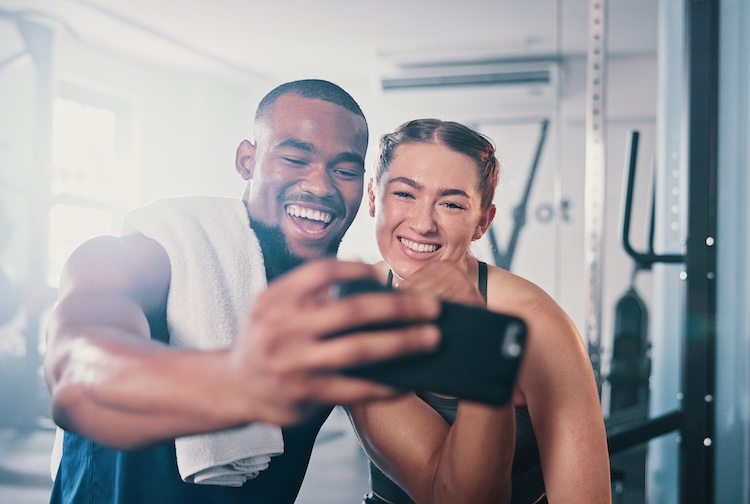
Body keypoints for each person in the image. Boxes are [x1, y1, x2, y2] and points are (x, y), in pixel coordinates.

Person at [43, 80, 442, 504]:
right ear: (247, 161)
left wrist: (492, 368)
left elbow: (445, 485)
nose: (321, 187)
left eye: (344, 171)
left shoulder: (346, 312)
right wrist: (243, 378)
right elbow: (77, 377)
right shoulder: (142, 257)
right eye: (294, 159)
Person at [348, 119, 612, 503]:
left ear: (482, 223)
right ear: (374, 197)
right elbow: (443, 488)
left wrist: (479, 337)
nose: (422, 224)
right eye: (405, 194)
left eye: (452, 204)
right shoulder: (358, 311)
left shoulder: (536, 326)